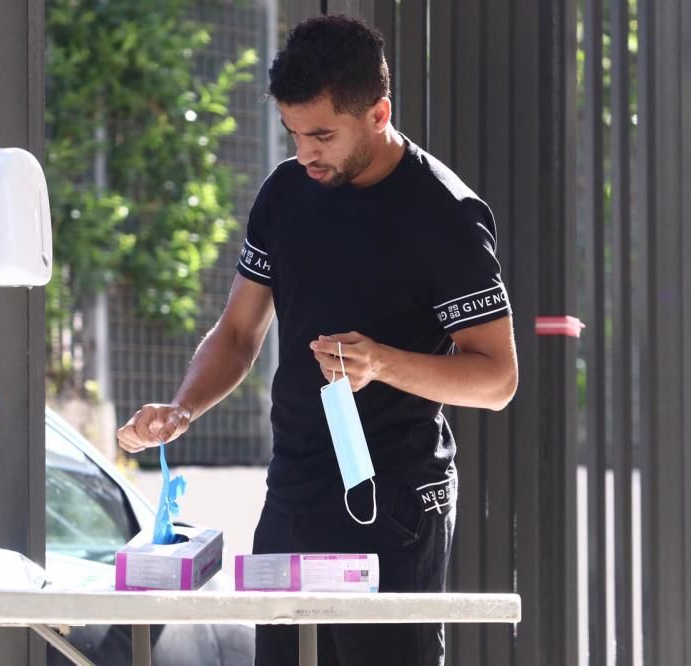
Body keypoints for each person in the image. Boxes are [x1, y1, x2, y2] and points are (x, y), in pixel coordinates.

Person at [117, 14, 518, 666]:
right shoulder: (285, 193)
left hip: (395, 504)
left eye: (323, 135)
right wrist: (184, 407)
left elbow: (497, 378)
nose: (306, 153)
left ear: (379, 111)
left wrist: (381, 362)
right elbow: (239, 331)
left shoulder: (446, 215)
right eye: (293, 133)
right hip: (293, 497)